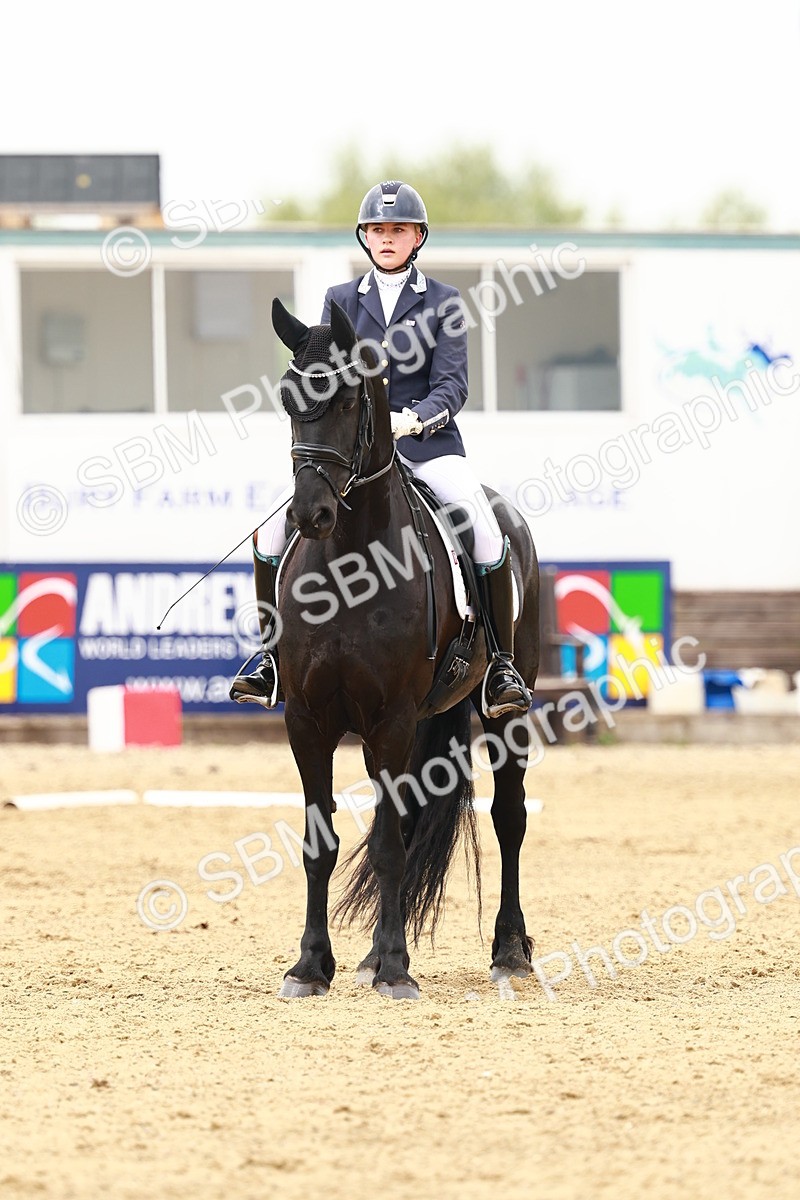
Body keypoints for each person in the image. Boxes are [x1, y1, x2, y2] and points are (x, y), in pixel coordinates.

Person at [230, 180, 531, 718]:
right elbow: (326, 374)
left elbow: (453, 385)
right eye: (377, 230)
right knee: (272, 529)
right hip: (355, 456)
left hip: (430, 448)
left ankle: (502, 665)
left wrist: (413, 419)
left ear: (417, 237)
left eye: (397, 230)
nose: (386, 238)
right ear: (364, 238)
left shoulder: (445, 303)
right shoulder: (341, 301)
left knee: (485, 531)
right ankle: (270, 657)